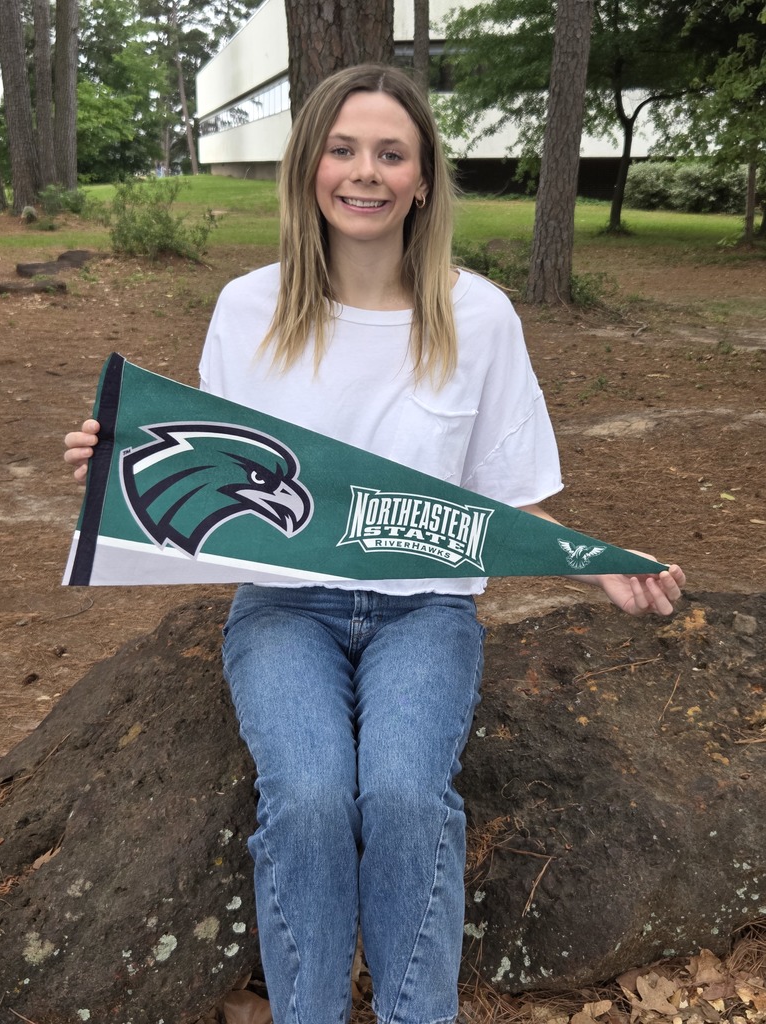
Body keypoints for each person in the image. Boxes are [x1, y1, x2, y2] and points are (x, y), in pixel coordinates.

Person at [65, 64, 685, 1024]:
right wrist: (114, 467)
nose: (365, 172)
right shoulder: (247, 308)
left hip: (428, 611)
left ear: (424, 178)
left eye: (391, 154)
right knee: (309, 797)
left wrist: (597, 565)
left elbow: (504, 498)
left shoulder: (478, 317)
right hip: (284, 609)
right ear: (309, 164)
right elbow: (208, 469)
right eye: (343, 149)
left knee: (403, 795)